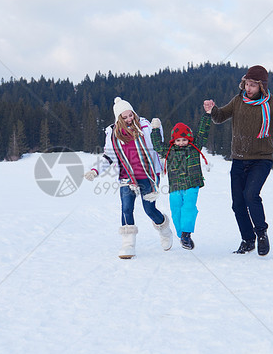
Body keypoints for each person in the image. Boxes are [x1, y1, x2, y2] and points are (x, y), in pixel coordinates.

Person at [204, 65, 273, 256]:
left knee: (251, 195)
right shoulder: (238, 101)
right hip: (239, 160)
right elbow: (220, 116)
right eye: (246, 84)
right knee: (237, 204)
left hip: (261, 160)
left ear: (262, 87)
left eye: (253, 86)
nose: (248, 89)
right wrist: (212, 110)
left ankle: (261, 234)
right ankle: (248, 240)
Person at [83, 96, 173, 259]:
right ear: (118, 118)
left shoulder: (145, 126)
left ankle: (164, 230)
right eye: (124, 117)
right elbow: (108, 156)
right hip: (127, 176)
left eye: (130, 115)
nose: (129, 119)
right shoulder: (113, 133)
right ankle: (128, 244)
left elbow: (159, 146)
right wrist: (95, 170)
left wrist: (157, 130)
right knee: (126, 208)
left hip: (148, 174)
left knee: (149, 209)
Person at [161, 106, 212, 250]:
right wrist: (154, 130)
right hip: (175, 187)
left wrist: (207, 115)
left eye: (184, 139)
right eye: (178, 140)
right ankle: (181, 234)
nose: (182, 142)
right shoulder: (169, 151)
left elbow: (202, 132)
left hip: (192, 184)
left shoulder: (194, 147)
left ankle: (186, 234)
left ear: (189, 139)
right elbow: (158, 146)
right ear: (174, 141)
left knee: (189, 207)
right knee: (176, 210)